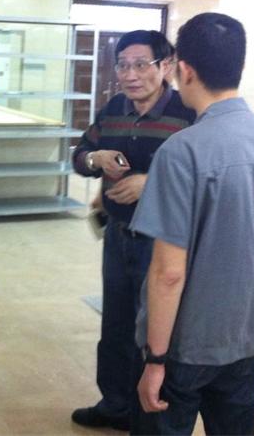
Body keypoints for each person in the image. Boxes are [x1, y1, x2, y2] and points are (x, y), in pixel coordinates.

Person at [130, 12, 254, 435]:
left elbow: (168, 273)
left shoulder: (182, 151)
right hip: (245, 341)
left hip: (184, 348)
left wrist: (155, 360)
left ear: (184, 70)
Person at [71, 30, 196, 431]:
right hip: (118, 236)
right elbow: (79, 155)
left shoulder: (187, 113)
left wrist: (151, 182)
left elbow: (201, 177)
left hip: (163, 244)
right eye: (123, 65)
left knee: (156, 331)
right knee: (115, 327)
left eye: (141, 64)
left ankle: (149, 416)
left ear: (166, 66)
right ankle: (115, 405)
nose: (130, 74)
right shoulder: (113, 109)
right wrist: (96, 158)